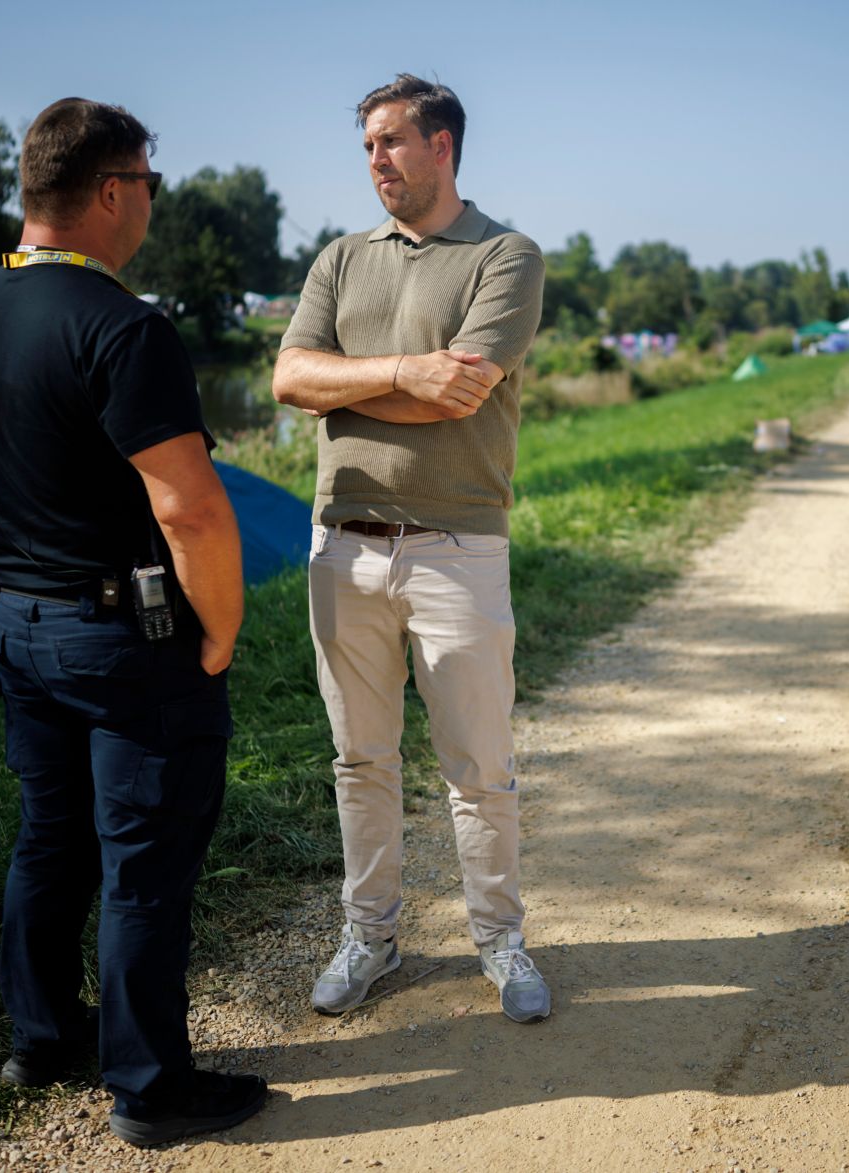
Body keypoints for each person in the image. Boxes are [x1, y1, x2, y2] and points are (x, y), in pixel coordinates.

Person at [0, 98, 266, 1148]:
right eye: (152, 187)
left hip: (16, 625)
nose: (152, 209)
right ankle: (149, 1087)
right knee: (144, 860)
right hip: (123, 640)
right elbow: (190, 506)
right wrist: (217, 634)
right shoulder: (124, 327)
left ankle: (41, 1037)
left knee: (50, 839)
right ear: (114, 191)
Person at [271, 75, 551, 1024]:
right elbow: (288, 375)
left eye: (391, 141)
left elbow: (462, 390)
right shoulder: (340, 261)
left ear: (442, 145)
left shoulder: (505, 255)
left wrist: (342, 388)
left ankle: (500, 941)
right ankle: (371, 935)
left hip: (458, 543)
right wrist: (400, 373)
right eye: (366, 147)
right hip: (341, 546)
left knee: (479, 764)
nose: (376, 160)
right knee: (361, 759)